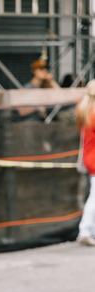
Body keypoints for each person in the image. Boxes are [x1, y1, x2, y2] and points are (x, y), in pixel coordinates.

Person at [75, 80, 95, 246]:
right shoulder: (93, 113)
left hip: (90, 158)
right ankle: (86, 230)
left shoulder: (86, 110)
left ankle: (89, 230)